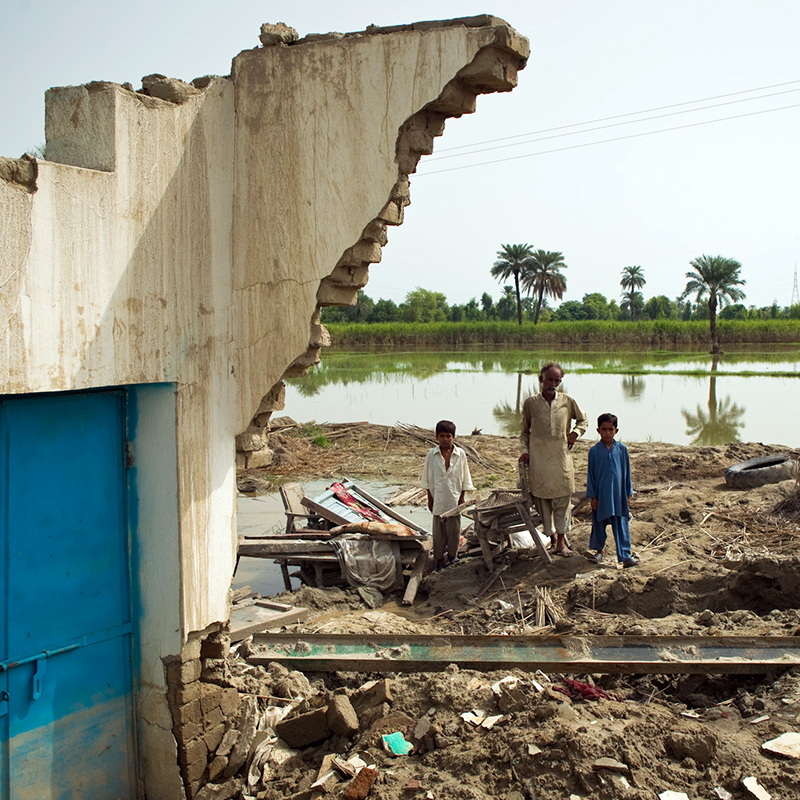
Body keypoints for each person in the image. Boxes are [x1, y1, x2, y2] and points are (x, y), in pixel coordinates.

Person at [519, 362, 588, 557]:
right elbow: (524, 432)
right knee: (543, 502)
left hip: (561, 461)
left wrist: (575, 433)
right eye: (550, 379)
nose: (553, 384)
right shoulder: (530, 403)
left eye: (557, 380)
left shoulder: (567, 401)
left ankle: (562, 542)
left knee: (562, 501)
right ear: (541, 379)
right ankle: (553, 541)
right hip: (539, 463)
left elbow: (583, 420)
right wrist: (525, 451)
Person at [420, 420, 474, 570]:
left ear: (454, 437)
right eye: (442, 436)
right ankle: (438, 558)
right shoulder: (432, 455)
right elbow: (427, 478)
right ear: (437, 437)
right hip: (438, 496)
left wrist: (462, 497)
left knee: (454, 529)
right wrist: (430, 499)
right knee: (439, 532)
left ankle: (452, 555)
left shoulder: (460, 454)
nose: (445, 439)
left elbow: (464, 477)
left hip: (454, 496)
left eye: (448, 436)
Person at [586, 412, 638, 568]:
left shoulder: (622, 450)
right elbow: (591, 475)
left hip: (618, 495)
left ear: (616, 430)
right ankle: (599, 551)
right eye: (604, 429)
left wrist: (628, 493)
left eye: (610, 429)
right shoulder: (594, 452)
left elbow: (626, 472)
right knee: (599, 524)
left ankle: (625, 556)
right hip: (601, 495)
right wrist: (593, 496)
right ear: (598, 431)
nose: (607, 433)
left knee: (621, 525)